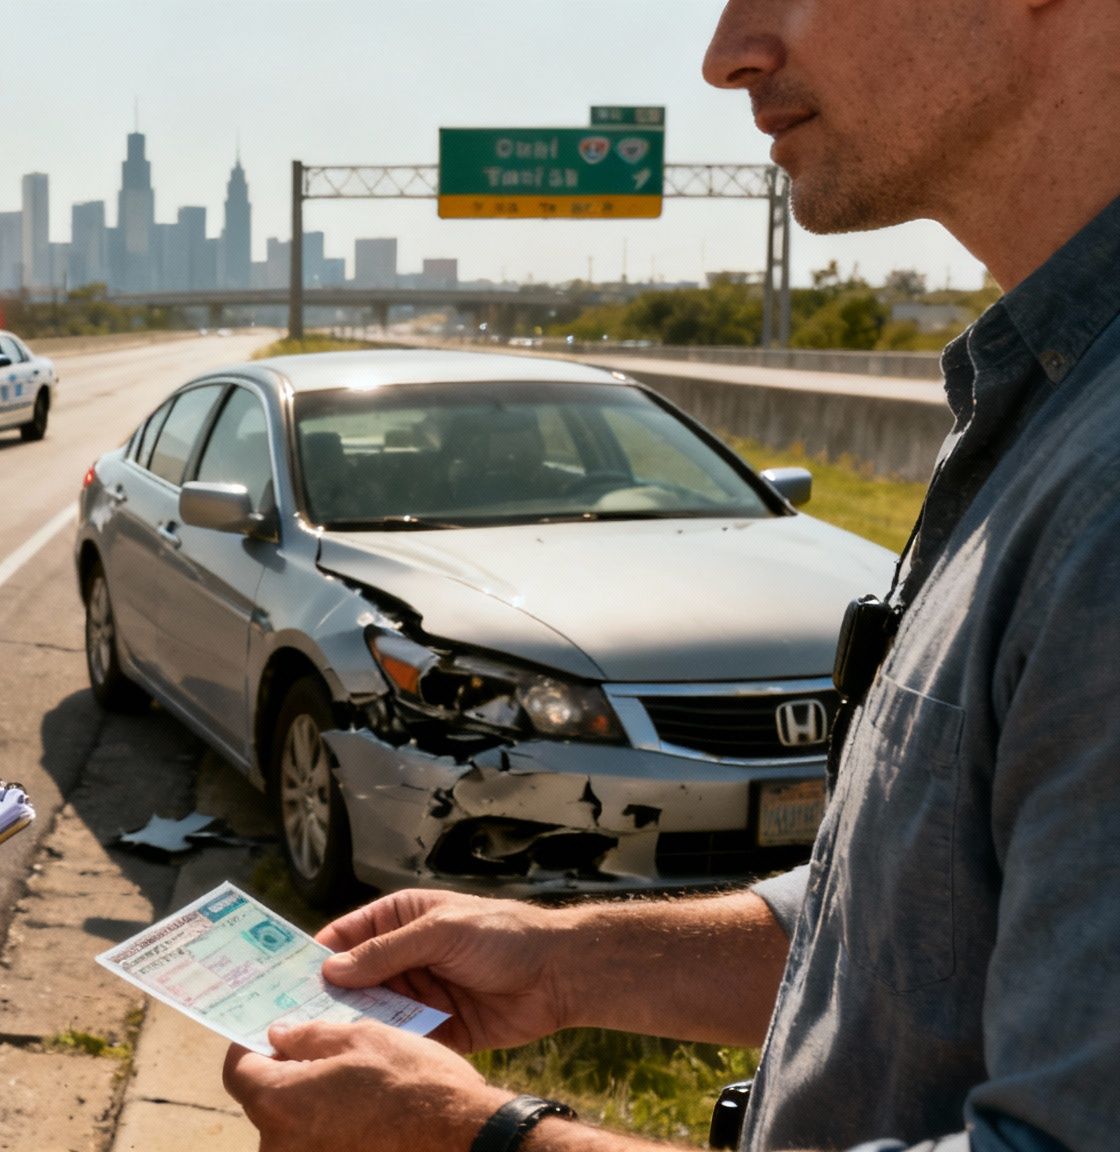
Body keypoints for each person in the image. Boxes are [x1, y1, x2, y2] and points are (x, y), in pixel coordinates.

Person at [224, 0, 1120, 1148]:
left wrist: (464, 1138)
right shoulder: (1044, 402)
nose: (724, 54)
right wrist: (562, 958)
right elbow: (920, 925)